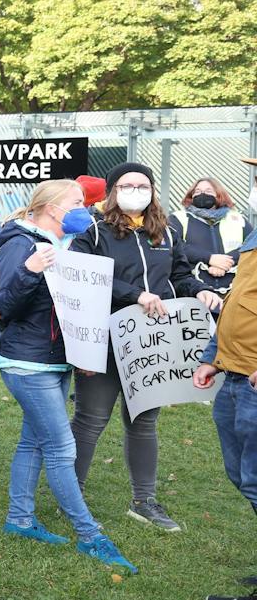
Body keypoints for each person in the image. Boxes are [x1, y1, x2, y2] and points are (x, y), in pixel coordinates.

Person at [0, 179, 135, 572]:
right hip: (28, 362)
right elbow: (4, 305)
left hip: (53, 360)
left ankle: (19, 518)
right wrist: (29, 270)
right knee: (60, 447)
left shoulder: (60, 246)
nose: (84, 210)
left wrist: (81, 351)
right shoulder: (21, 245)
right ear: (52, 208)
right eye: (76, 203)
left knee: (33, 442)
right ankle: (90, 535)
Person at [69, 162, 221, 532]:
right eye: (127, 185)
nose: (136, 190)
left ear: (153, 190)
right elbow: (83, 277)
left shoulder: (167, 230)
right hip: (104, 339)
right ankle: (70, 496)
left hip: (151, 344)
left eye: (143, 185)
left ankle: (145, 500)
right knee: (90, 420)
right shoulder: (92, 230)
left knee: (144, 421)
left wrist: (197, 289)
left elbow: (180, 275)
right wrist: (133, 294)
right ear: (112, 191)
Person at [194, 157, 257, 600]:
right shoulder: (254, 234)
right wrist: (213, 356)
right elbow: (239, 299)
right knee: (244, 476)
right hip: (235, 374)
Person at [170, 176, 250, 298]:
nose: (202, 194)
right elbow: (173, 246)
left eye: (208, 191)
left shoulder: (239, 219)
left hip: (234, 292)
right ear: (191, 196)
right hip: (193, 293)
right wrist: (209, 258)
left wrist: (227, 261)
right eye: (197, 191)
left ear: (219, 195)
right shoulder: (178, 218)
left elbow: (251, 246)